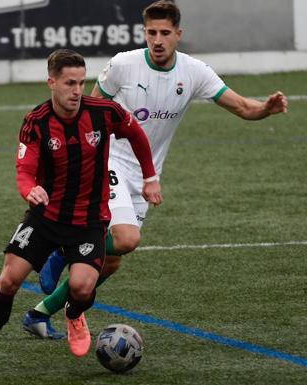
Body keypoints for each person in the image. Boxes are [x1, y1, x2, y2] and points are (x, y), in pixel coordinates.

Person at [22, 0, 288, 339]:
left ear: (178, 34)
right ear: (143, 32)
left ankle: (39, 313)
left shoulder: (194, 72)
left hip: (146, 176)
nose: (157, 40)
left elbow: (241, 106)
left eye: (165, 33)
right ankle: (64, 250)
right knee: (127, 238)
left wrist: (266, 108)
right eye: (151, 33)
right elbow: (89, 110)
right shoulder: (123, 65)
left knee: (112, 259)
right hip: (111, 162)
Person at [0, 49, 161, 373]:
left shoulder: (104, 112)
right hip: (45, 217)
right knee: (9, 280)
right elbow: (24, 171)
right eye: (69, 83)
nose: (78, 91)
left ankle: (73, 312)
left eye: (81, 82)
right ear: (51, 82)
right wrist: (30, 190)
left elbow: (135, 133)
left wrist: (150, 177)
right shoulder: (36, 122)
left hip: (89, 220)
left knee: (82, 287)